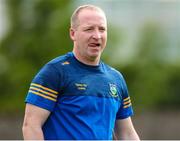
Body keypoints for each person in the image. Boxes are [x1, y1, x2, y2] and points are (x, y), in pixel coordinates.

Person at [22, 4, 140, 140]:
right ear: (73, 33)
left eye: (102, 29)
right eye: (89, 29)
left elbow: (127, 133)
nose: (97, 36)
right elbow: (30, 125)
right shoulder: (54, 72)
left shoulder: (116, 79)